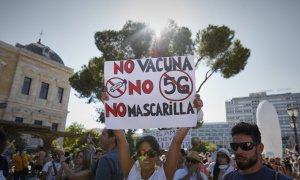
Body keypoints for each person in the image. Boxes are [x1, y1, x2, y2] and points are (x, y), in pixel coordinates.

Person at [113, 94, 203, 180]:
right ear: (137, 156)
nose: (146, 157)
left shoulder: (163, 176)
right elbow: (121, 140)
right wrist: (110, 103)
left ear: (157, 156)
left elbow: (177, 141)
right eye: (142, 153)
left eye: (151, 153)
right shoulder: (130, 172)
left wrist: (193, 112)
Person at [223, 122, 292, 180]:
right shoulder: (227, 178)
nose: (238, 151)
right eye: (234, 146)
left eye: (246, 145)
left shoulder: (279, 178)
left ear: (260, 148)